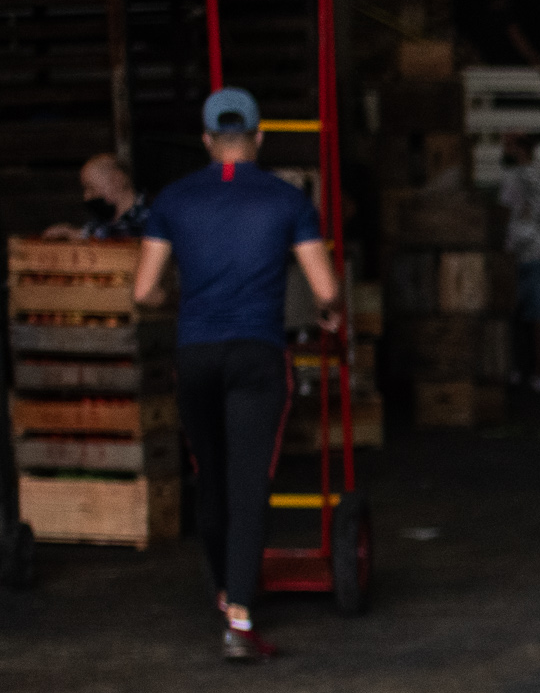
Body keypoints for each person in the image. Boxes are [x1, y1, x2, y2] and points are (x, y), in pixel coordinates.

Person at [134, 87, 341, 661]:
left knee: (211, 474)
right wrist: (329, 312)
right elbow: (325, 289)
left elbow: (143, 291)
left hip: (196, 353)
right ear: (260, 137)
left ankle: (226, 590)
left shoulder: (173, 200)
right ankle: (241, 621)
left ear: (206, 140)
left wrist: (179, 300)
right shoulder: (288, 200)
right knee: (250, 481)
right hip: (256, 353)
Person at [496, 134, 540, 387]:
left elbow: (503, 215)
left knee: (514, 316)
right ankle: (538, 374)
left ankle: (517, 369)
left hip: (517, 254)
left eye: (508, 147)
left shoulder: (510, 178)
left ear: (519, 150)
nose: (504, 151)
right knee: (539, 317)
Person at [42, 153, 150, 240]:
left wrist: (81, 235)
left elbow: (130, 238)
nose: (86, 197)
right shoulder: (102, 220)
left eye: (91, 188)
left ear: (117, 180)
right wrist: (68, 233)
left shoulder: (150, 213)